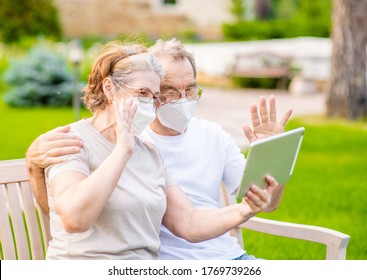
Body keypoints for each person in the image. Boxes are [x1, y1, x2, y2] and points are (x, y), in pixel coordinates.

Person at [26, 39, 292, 260]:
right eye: (145, 93)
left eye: (155, 97)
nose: (153, 105)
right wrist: (123, 149)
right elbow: (73, 219)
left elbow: (188, 222)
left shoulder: (150, 152)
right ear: (109, 88)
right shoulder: (71, 140)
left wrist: (247, 207)